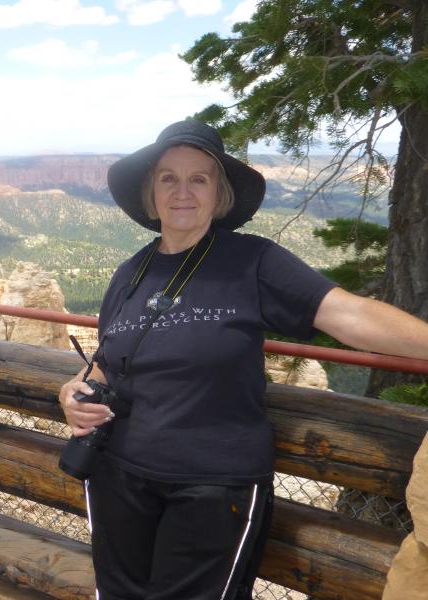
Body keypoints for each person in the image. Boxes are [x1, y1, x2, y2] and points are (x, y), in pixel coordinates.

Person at [58, 120, 428, 600]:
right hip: (119, 476)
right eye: (168, 177)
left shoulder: (254, 262)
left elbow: (350, 315)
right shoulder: (131, 273)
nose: (183, 191)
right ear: (151, 194)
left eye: (199, 178)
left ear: (220, 193)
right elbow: (108, 359)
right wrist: (72, 390)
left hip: (214, 487)